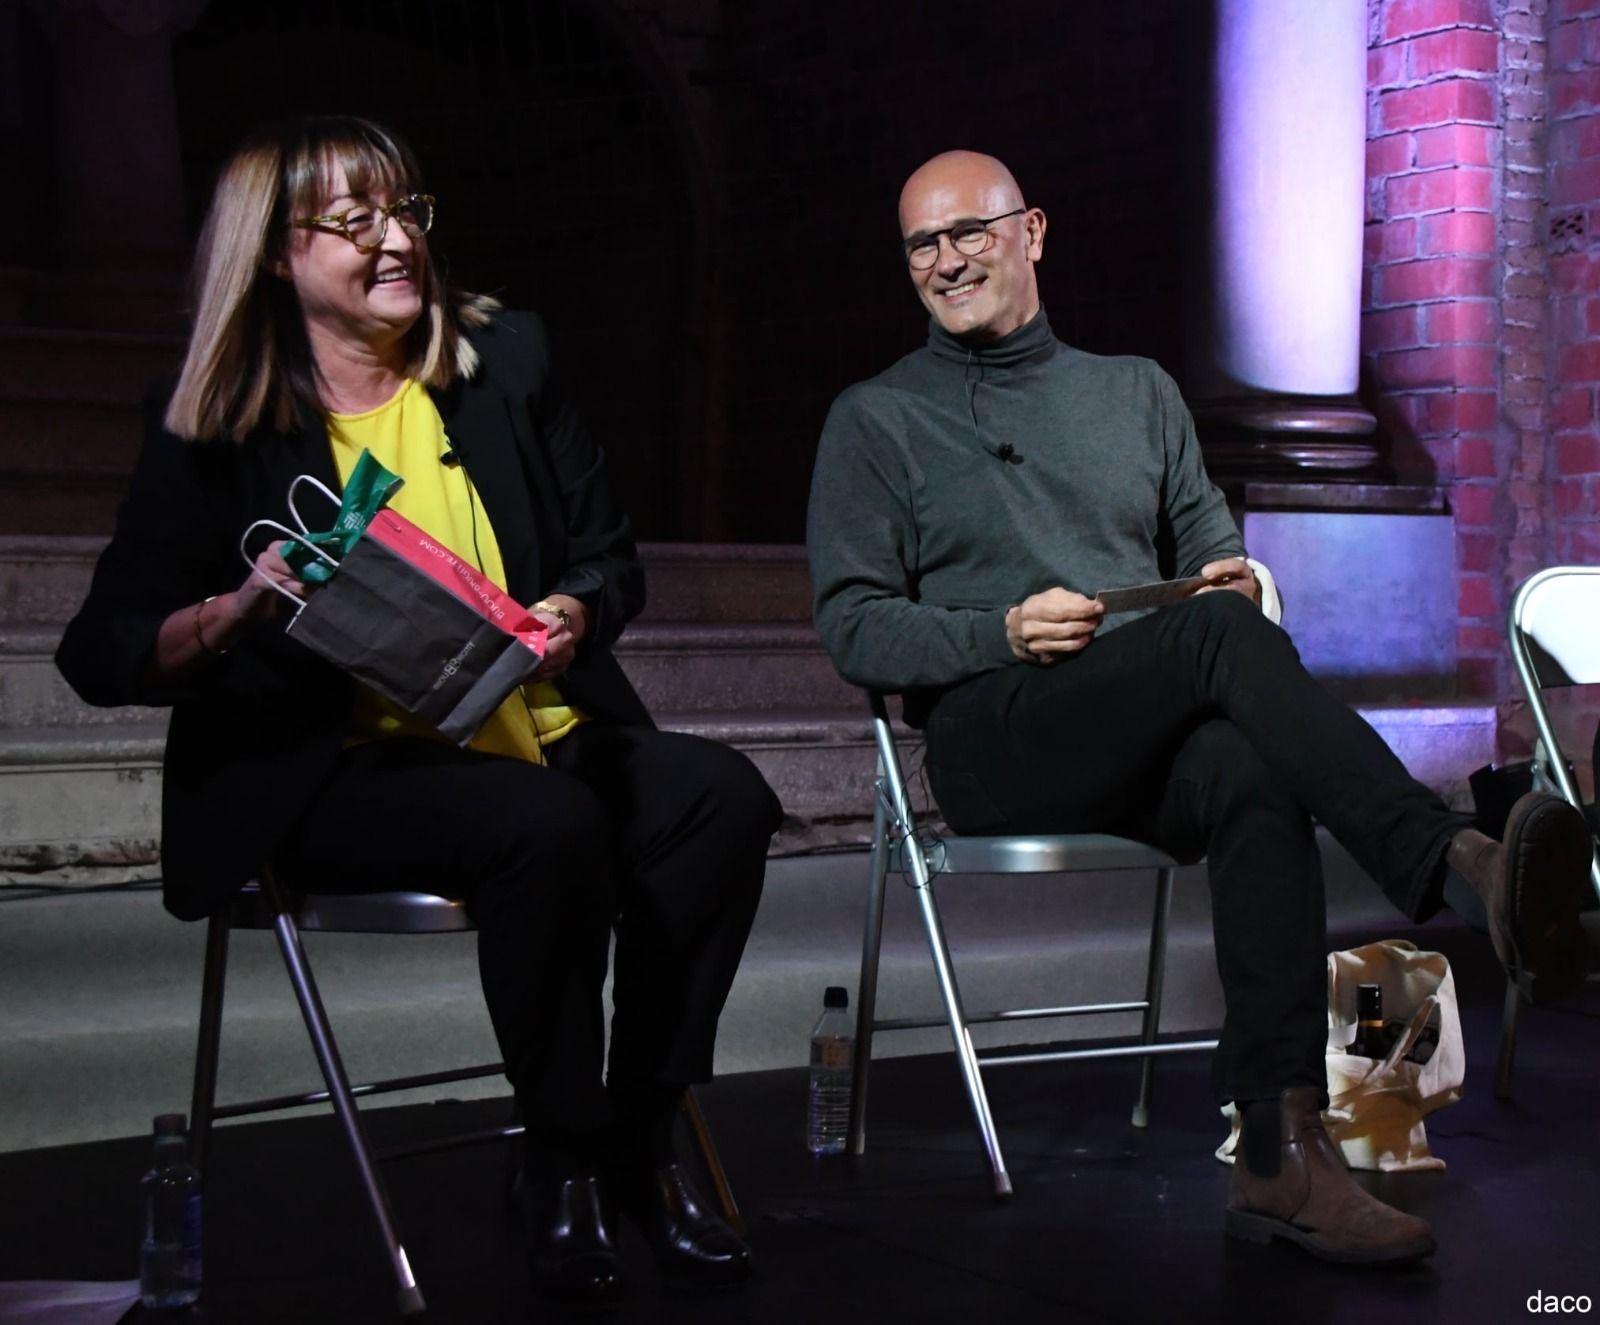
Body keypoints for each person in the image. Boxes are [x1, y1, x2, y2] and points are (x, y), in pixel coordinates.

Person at [807, 149, 1592, 1266]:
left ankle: (1279, 1149)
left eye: (968, 232)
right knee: (1225, 650)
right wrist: (998, 630)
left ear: (1031, 230)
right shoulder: (877, 417)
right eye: (921, 245)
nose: (945, 261)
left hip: (1152, 719)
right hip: (998, 734)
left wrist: (1235, 574)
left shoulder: (1135, 390)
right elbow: (852, 624)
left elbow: (1212, 555)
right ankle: (1458, 865)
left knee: (1245, 757)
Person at [57, 115, 782, 1311]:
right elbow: (102, 648)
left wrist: (572, 610)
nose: (395, 241)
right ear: (276, 254)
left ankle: (634, 1140)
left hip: (525, 727)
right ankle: (557, 1156)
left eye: (406, 212)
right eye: (353, 222)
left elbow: (610, 554)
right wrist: (236, 610)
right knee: (545, 829)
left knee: (718, 797)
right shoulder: (214, 421)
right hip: (333, 773)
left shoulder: (508, 360)